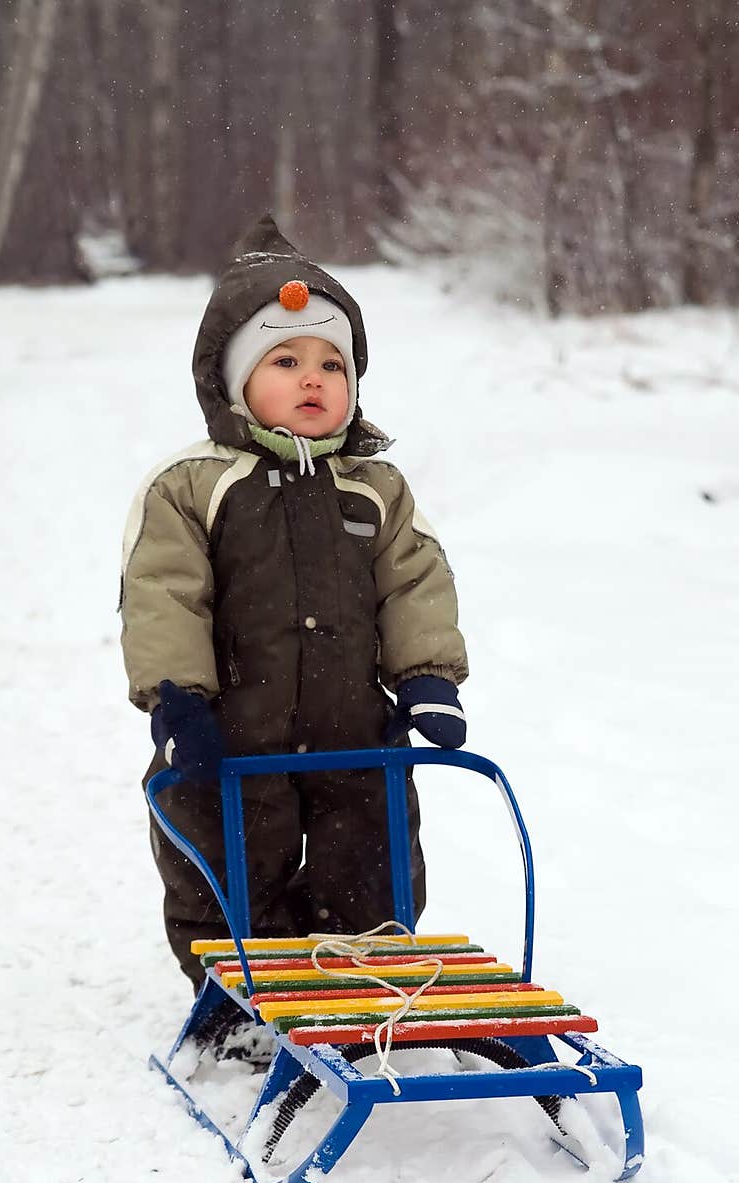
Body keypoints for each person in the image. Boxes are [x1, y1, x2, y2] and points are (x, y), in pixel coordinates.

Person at [119, 213, 469, 990]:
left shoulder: (374, 488)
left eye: (332, 365)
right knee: (229, 860)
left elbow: (415, 578)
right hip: (231, 735)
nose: (314, 379)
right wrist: (178, 701)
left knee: (371, 861)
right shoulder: (193, 487)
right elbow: (164, 595)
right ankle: (235, 985)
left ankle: (359, 975)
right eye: (285, 359)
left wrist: (428, 678)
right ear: (232, 380)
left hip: (354, 731)